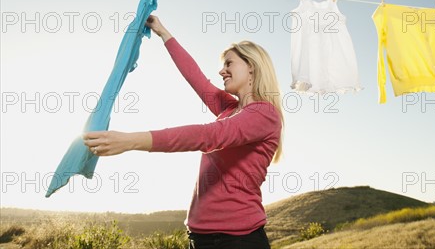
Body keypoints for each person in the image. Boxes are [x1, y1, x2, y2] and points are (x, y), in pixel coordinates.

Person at [83, 15, 284, 249]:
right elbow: (195, 77)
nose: (222, 71)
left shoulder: (264, 114)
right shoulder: (229, 109)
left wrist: (130, 141)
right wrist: (163, 33)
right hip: (199, 238)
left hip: (237, 241)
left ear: (251, 67)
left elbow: (209, 136)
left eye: (229, 63)